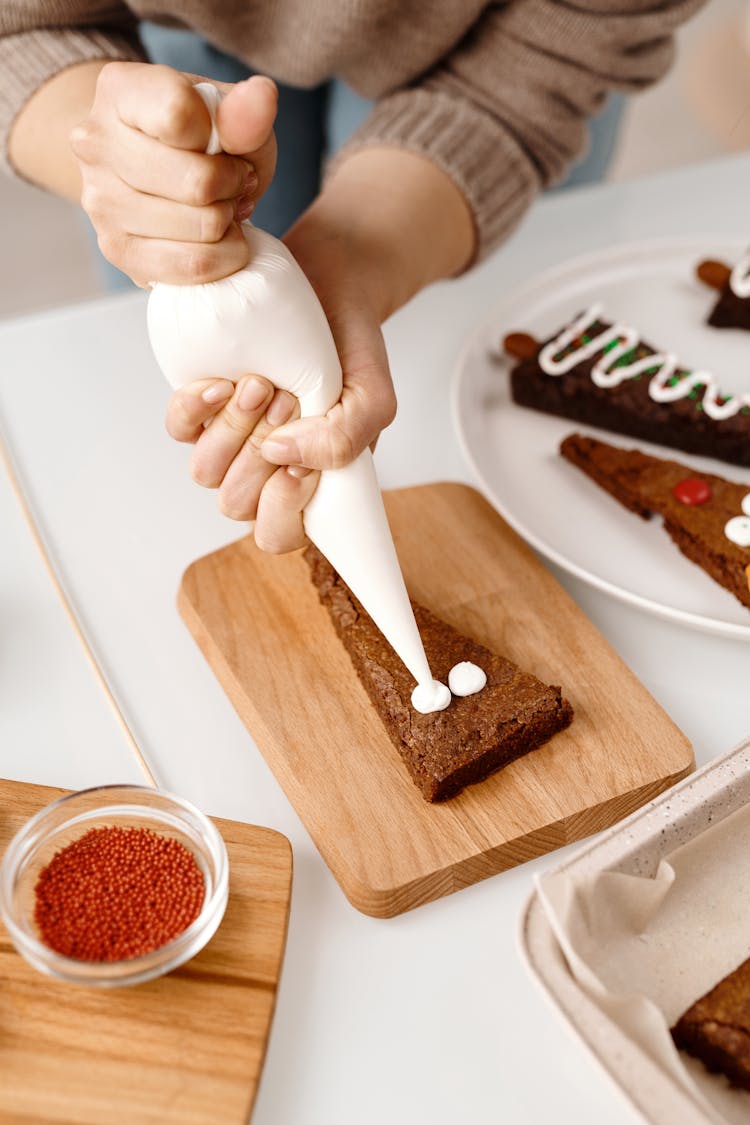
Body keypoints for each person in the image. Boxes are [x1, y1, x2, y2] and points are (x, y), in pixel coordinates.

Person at [1, 1, 703, 554]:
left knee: (459, 393)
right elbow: (22, 23)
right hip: (178, 25)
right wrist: (129, 175)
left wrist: (355, 260)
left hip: (513, 40)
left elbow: (565, 43)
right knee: (189, 312)